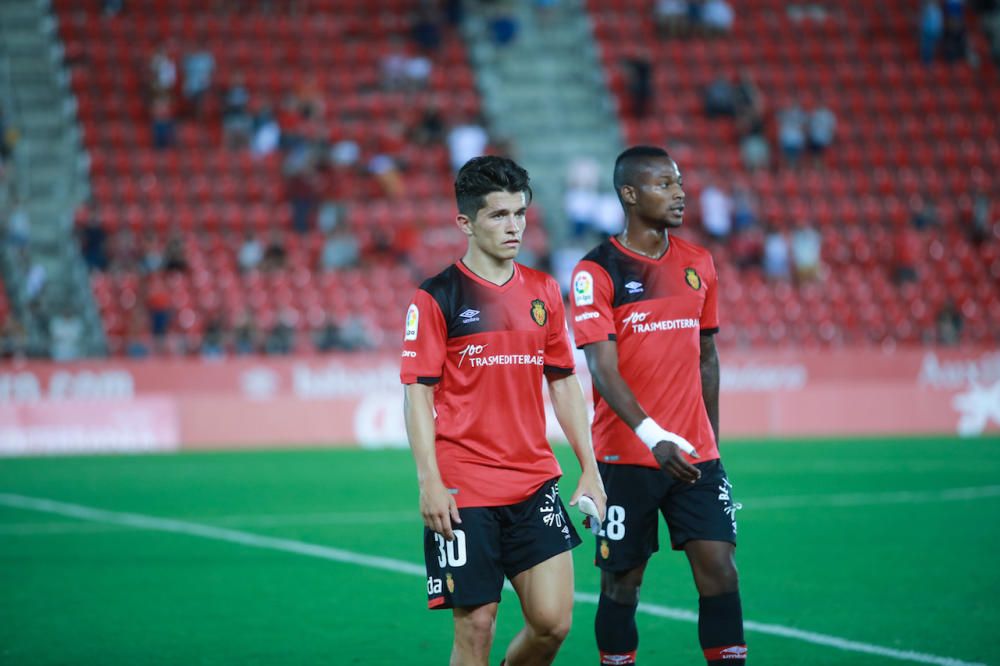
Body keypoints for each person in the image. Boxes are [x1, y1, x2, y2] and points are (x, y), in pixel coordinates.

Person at [400, 156, 606, 666]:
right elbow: (418, 393)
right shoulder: (437, 297)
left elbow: (562, 382)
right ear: (465, 223)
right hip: (463, 488)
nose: (514, 226)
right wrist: (428, 479)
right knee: (476, 626)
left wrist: (590, 467)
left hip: (533, 480)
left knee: (553, 623)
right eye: (498, 215)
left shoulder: (542, 293)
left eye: (520, 213)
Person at [570, 146, 746, 665]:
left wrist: (708, 443)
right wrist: (655, 436)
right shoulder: (596, 271)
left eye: (679, 182)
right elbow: (604, 369)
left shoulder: (699, 264)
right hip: (627, 458)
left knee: (720, 570)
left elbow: (707, 357)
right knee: (622, 584)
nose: (679, 192)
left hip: (695, 456)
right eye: (664, 184)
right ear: (629, 194)